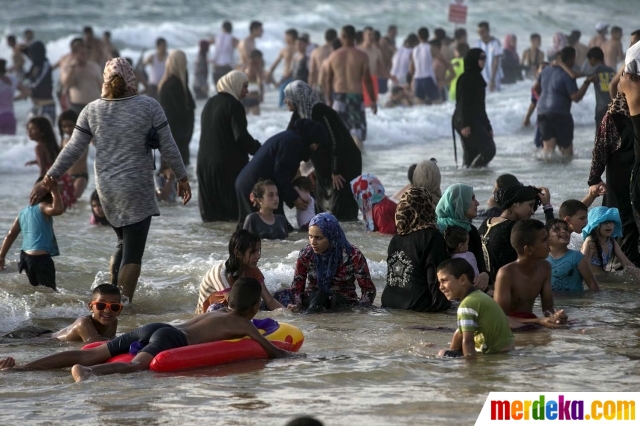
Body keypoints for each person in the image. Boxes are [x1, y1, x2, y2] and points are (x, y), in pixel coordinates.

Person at [30, 58, 191, 302]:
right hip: (136, 187)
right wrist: (183, 177)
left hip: (106, 189)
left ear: (105, 79)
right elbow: (169, 146)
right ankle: (121, 307)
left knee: (122, 242)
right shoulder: (149, 106)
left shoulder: (92, 109)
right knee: (133, 252)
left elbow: (73, 149)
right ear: (131, 78)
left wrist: (49, 177)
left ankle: (109, 298)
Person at [0, 278, 294, 381]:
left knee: (89, 352)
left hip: (157, 327)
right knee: (138, 366)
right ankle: (88, 373)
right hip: (171, 338)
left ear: (228, 299)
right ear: (256, 307)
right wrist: (302, 360)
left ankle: (21, 370)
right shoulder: (242, 322)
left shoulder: (215, 310)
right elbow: (272, 351)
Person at [284, 80, 362, 221]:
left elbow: (336, 140)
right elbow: (289, 137)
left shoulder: (320, 111)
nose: (285, 101)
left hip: (344, 164)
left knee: (342, 210)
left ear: (298, 97)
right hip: (324, 167)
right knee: (322, 209)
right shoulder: (300, 113)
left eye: (288, 96)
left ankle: (347, 235)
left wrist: (336, 170)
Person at [235, 118, 326, 225]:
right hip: (255, 187)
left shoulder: (291, 137)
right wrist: (294, 198)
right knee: (264, 229)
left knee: (277, 229)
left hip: (251, 184)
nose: (315, 148)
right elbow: (281, 174)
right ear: (311, 138)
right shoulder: (293, 143)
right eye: (317, 144)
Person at [278, 213, 376, 312]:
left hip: (344, 302)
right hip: (313, 300)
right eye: (310, 236)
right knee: (319, 296)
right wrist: (296, 305)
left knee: (336, 299)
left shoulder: (353, 255)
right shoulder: (306, 254)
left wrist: (361, 309)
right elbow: (297, 286)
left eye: (318, 238)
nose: (313, 242)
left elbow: (368, 290)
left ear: (331, 236)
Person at [198, 70, 260, 222]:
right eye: (244, 87)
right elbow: (241, 136)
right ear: (235, 85)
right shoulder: (235, 106)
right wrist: (259, 150)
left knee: (211, 218)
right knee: (230, 217)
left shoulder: (209, 103)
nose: (246, 91)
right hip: (226, 168)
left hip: (204, 165)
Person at [588, 89, 640, 266]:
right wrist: (594, 178)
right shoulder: (615, 116)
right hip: (620, 177)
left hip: (638, 176)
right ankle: (622, 273)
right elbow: (601, 147)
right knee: (622, 221)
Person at [382, 187, 450, 312]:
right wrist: (443, 311)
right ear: (426, 207)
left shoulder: (396, 239)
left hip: (388, 303)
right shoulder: (432, 236)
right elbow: (435, 279)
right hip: (417, 305)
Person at [493, 219, 569, 328]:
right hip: (511, 327)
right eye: (544, 240)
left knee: (577, 327)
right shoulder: (506, 273)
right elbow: (499, 317)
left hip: (531, 321)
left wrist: (555, 317)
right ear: (528, 249)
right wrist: (538, 321)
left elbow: (547, 308)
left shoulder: (545, 267)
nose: (549, 243)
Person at [436, 258, 514, 358]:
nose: (440, 287)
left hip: (492, 355)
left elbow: (468, 342)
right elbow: (460, 334)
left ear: (463, 279)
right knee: (459, 331)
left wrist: (471, 369)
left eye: (444, 281)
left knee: (441, 353)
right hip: (507, 351)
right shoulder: (480, 296)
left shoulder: (466, 305)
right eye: (439, 282)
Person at [196, 230, 283, 313]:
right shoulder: (220, 272)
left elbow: (269, 300)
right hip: (210, 317)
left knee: (282, 296)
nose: (258, 256)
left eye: (258, 250)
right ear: (238, 253)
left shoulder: (252, 269)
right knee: (216, 309)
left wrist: (287, 313)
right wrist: (268, 315)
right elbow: (234, 307)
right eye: (253, 252)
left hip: (239, 311)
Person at [0, 179, 63, 290]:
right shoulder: (43, 206)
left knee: (37, 290)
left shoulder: (23, 212)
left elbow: (10, 235)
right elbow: (58, 209)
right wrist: (55, 190)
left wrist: (1, 255)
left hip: (26, 258)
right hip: (41, 259)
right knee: (49, 293)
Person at [325, 25, 377, 150]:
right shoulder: (362, 56)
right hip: (356, 97)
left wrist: (329, 99)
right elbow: (367, 80)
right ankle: (359, 163)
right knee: (357, 133)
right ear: (354, 37)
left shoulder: (334, 56)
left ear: (342, 36)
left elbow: (328, 80)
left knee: (338, 133)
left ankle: (341, 164)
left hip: (339, 97)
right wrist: (373, 100)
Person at [534, 47, 591, 159]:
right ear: (573, 58)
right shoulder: (567, 75)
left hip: (542, 113)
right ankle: (564, 176)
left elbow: (535, 87)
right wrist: (587, 83)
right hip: (560, 114)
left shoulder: (545, 70)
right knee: (567, 153)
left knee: (548, 152)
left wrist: (544, 97)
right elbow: (575, 97)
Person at [478, 184, 541, 283]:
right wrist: (547, 207)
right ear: (516, 203)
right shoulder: (517, 229)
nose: (532, 211)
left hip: (485, 287)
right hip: (508, 289)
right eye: (530, 205)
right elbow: (547, 243)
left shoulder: (487, 222)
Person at [435, 184, 491, 291]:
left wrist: (485, 275)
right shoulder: (438, 232)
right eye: (472, 198)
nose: (477, 203)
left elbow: (480, 265)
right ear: (459, 202)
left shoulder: (471, 230)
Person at [452, 48, 496, 168]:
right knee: (489, 149)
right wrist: (464, 124)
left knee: (472, 153)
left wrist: (488, 127)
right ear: (473, 60)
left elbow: (481, 107)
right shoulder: (465, 79)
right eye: (480, 58)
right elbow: (462, 103)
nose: (483, 61)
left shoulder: (478, 78)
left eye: (484, 58)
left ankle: (471, 178)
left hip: (473, 119)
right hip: (464, 120)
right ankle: (473, 171)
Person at [26, 117, 77, 209]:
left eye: (33, 129)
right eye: (28, 129)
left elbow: (43, 170)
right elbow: (52, 161)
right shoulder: (50, 144)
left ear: (42, 131)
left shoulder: (39, 147)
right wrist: (35, 162)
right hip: (64, 180)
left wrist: (38, 186)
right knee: (63, 210)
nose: (29, 132)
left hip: (53, 182)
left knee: (51, 211)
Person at [158, 50, 195, 166]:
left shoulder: (167, 83)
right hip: (177, 138)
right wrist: (186, 135)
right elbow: (181, 113)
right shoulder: (175, 85)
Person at [52, 284, 122, 342]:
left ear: (119, 310)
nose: (107, 311)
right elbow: (97, 344)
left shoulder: (113, 322)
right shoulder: (83, 323)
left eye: (114, 306)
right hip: (47, 340)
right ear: (91, 307)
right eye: (101, 305)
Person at [546, 219, 599, 291]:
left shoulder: (577, 257)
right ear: (547, 238)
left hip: (574, 301)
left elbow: (591, 283)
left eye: (565, 229)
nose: (563, 231)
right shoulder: (542, 259)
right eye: (557, 229)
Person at [581, 207, 635, 274]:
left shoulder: (611, 242)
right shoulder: (590, 242)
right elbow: (581, 266)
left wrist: (636, 272)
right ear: (595, 226)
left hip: (603, 276)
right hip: (592, 278)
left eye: (611, 222)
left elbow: (626, 263)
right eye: (605, 222)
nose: (609, 225)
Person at [60, 38, 103, 115]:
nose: (85, 56)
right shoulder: (68, 68)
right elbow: (66, 84)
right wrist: (72, 68)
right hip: (78, 106)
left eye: (86, 53)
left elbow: (102, 86)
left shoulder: (94, 66)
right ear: (74, 54)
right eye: (82, 54)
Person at [17, 41, 55, 124]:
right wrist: (24, 49)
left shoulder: (45, 65)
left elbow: (38, 83)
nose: (30, 56)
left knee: (46, 133)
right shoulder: (36, 63)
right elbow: (28, 53)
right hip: (36, 105)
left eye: (32, 53)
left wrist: (25, 90)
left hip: (46, 106)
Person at [58, 109, 88, 199]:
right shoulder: (64, 140)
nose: (67, 129)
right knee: (64, 202)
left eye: (70, 125)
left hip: (80, 176)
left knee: (73, 199)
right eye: (64, 126)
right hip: (66, 177)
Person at [410, 28, 443, 104]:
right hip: (428, 78)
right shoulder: (431, 48)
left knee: (418, 104)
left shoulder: (414, 50)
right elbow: (442, 60)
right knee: (437, 103)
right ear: (428, 36)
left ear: (418, 36)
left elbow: (411, 68)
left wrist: (413, 78)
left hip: (417, 79)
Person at [268, 28, 298, 108]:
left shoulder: (291, 49)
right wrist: (274, 81)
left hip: (287, 78)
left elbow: (272, 68)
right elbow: (272, 68)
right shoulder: (297, 48)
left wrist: (275, 82)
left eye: (286, 36)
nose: (284, 38)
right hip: (288, 78)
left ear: (291, 37)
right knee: (287, 104)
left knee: (286, 104)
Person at [476, 22, 502, 92]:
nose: (480, 34)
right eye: (479, 32)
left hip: (494, 78)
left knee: (496, 98)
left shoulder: (495, 42)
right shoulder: (478, 43)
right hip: (482, 78)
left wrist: (492, 79)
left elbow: (496, 61)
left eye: (482, 31)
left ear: (488, 31)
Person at [241, 49, 266, 115]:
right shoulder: (256, 67)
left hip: (244, 97)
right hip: (253, 96)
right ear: (256, 57)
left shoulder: (244, 66)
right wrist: (262, 94)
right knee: (257, 119)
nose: (261, 60)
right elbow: (260, 81)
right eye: (260, 58)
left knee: (244, 120)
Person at [0, 59, 18, 135]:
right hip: (10, 116)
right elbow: (27, 92)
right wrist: (14, 99)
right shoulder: (13, 80)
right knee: (11, 145)